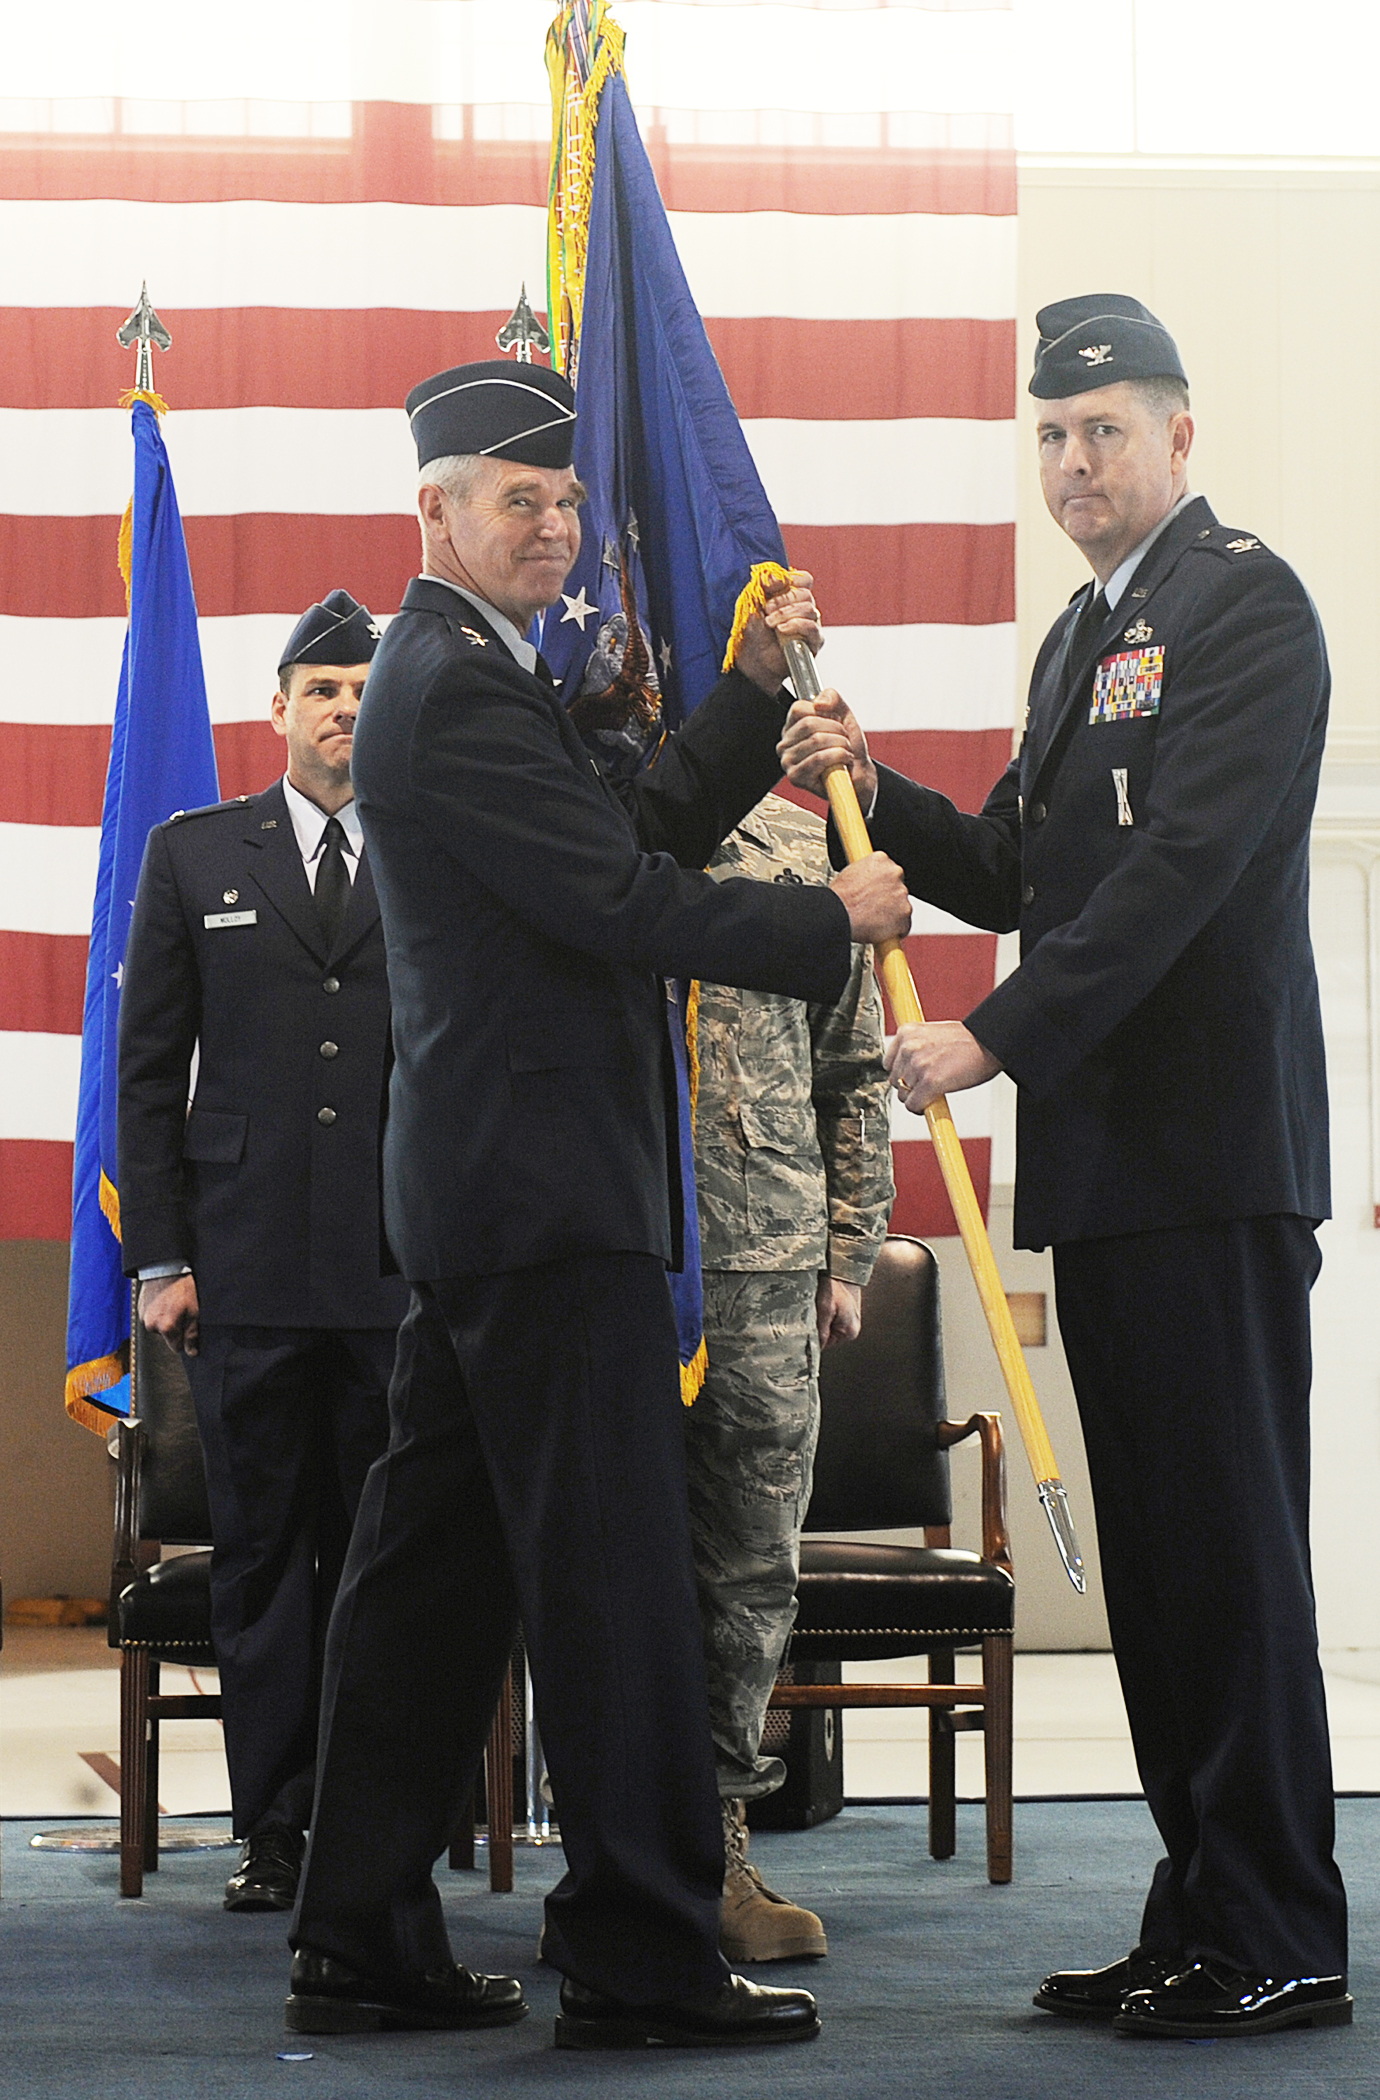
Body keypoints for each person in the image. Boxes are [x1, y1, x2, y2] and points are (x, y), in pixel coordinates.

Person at [282, 359, 912, 2050]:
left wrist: (742, 695)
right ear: (434, 510)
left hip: (500, 1197)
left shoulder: (462, 675)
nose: (556, 522)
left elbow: (622, 822)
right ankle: (640, 1958)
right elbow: (624, 898)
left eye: (567, 499)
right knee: (620, 1584)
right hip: (551, 1205)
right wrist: (826, 922)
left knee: (428, 1587)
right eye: (519, 497)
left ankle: (357, 1935)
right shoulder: (458, 686)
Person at [779, 297, 1350, 2042]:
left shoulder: (1242, 606)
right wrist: (871, 786)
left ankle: (1282, 1928)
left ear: (1182, 434)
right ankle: (1200, 1905)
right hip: (1112, 1171)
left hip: (1209, 1162)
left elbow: (1180, 874)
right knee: (1165, 1564)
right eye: (1053, 434)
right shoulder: (1078, 639)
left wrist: (994, 1037)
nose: (1075, 460)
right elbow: (1026, 860)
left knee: (1230, 1558)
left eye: (1106, 426)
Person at [117, 591, 407, 1913]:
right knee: (260, 1556)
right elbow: (148, 1070)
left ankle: (377, 1819)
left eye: (363, 688)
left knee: (382, 1558)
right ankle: (276, 1827)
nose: (344, 709)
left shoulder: (430, 848)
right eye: (324, 689)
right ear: (277, 709)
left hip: (398, 1272)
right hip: (241, 1275)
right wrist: (162, 1257)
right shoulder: (194, 857)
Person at [690, 792, 893, 1962]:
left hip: (768, 1254)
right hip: (624, 1246)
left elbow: (855, 1064)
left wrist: (850, 1245)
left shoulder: (806, 847)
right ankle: (624, 1856)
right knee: (610, 1559)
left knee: (752, 1567)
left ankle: (717, 1852)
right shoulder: (600, 815)